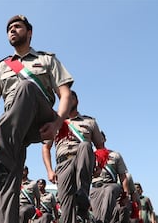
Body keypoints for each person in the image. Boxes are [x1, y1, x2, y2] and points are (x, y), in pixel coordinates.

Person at [0, 14, 74, 223]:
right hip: (14, 127)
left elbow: (66, 94)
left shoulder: (46, 59)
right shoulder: (1, 67)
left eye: (17, 26)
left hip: (41, 118)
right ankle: (1, 168)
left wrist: (57, 123)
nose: (12, 30)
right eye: (9, 28)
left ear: (30, 32)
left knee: (26, 87)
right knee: (7, 183)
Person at [42, 90, 105, 223]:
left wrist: (100, 166)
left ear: (75, 101)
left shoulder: (89, 121)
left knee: (85, 146)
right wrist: (49, 170)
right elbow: (46, 148)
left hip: (82, 159)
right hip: (63, 163)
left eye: (69, 98)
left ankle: (82, 192)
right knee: (66, 209)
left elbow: (100, 147)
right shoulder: (55, 122)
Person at [90, 132, 130, 223]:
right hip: (96, 188)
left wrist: (126, 195)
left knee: (109, 190)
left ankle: (104, 221)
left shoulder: (115, 155)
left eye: (100, 137)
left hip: (112, 185)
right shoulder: (91, 156)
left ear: (104, 139)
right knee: (97, 217)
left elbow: (123, 176)